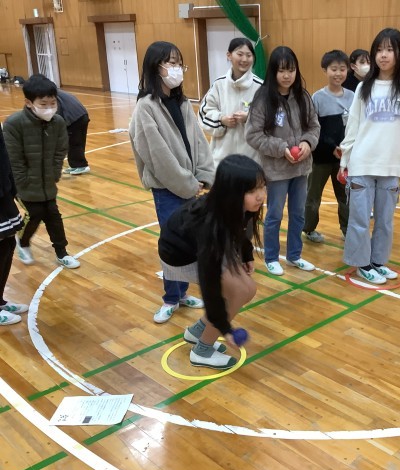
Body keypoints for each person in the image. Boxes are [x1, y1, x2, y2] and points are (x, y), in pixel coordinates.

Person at [129, 41, 215, 323]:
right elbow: (158, 157)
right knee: (172, 242)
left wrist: (204, 175)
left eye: (179, 63)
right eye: (171, 63)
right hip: (168, 190)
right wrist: (188, 184)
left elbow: (198, 142)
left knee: (188, 241)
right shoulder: (146, 108)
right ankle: (170, 298)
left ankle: (182, 293)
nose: (177, 69)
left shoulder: (182, 102)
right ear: (156, 67)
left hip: (190, 185)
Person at [339, 28, 400, 285]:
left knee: (385, 220)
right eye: (379, 50)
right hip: (362, 163)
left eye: (390, 49)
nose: (384, 55)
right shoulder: (364, 87)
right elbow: (353, 125)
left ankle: (378, 261)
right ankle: (362, 264)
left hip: (392, 164)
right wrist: (345, 158)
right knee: (359, 219)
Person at [159, 154, 265, 369]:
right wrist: (226, 329)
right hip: (180, 256)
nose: (260, 196)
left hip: (201, 247)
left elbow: (240, 229)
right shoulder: (210, 224)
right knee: (239, 291)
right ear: (232, 192)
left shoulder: (235, 206)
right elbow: (210, 287)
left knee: (248, 289)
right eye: (252, 191)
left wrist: (246, 254)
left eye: (262, 187)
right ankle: (202, 351)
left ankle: (196, 331)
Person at [245, 46, 320, 276]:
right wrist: (281, 148)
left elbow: (314, 126)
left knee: (298, 214)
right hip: (276, 170)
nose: (287, 75)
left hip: (301, 168)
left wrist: (307, 143)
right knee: (274, 215)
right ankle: (271, 257)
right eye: (281, 71)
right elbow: (253, 135)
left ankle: (294, 255)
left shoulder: (303, 96)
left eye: (291, 70)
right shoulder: (263, 99)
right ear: (273, 72)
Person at [3, 74, 80, 269]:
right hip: (23, 184)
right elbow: (13, 159)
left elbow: (60, 150)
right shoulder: (14, 124)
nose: (49, 108)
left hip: (47, 182)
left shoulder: (58, 122)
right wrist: (23, 182)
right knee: (34, 213)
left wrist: (54, 173)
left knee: (53, 216)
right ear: (29, 103)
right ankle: (23, 242)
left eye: (53, 103)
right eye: (43, 104)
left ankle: (62, 252)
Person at [303, 50, 354, 243]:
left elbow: (355, 126)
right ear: (325, 70)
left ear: (347, 70)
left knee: (345, 196)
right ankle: (308, 229)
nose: (338, 73)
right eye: (334, 69)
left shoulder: (353, 97)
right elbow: (314, 129)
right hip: (321, 158)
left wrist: (346, 148)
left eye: (342, 69)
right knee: (313, 196)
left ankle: (348, 230)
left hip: (345, 158)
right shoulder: (317, 98)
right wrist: (332, 147)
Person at [198, 37, 263, 169]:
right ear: (229, 55)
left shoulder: (261, 87)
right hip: (222, 158)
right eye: (240, 54)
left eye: (249, 55)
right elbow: (204, 113)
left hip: (252, 158)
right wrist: (221, 119)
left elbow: (270, 118)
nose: (244, 59)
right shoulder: (219, 84)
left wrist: (249, 117)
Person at [0, 124, 27, 326]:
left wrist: (14, 190)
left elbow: (4, 157)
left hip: (3, 193)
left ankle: (0, 300)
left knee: (8, 244)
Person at [57, 89, 91, 175]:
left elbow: (58, 112)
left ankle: (81, 165)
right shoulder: (59, 92)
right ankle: (75, 165)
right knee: (73, 142)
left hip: (75, 118)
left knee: (74, 143)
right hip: (81, 115)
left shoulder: (51, 96)